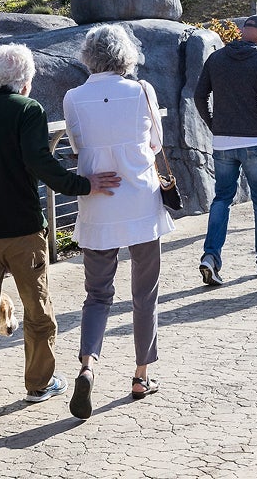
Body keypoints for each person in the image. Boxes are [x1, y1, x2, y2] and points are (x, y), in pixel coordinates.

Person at [0, 43, 122, 431]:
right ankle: (39, 384)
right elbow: (39, 162)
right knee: (37, 308)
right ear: (25, 81)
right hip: (21, 231)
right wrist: (82, 184)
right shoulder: (29, 111)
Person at [62, 25, 175, 419]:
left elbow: (79, 147)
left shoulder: (73, 98)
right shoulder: (143, 90)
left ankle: (88, 365)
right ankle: (141, 375)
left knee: (97, 296)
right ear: (126, 54)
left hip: (97, 204)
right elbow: (157, 144)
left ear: (87, 56)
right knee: (146, 293)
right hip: (141, 202)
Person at [194, 14, 257, 285]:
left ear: (243, 31)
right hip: (254, 140)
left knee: (221, 199)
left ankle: (210, 257)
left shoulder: (217, 58)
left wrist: (213, 124)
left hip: (222, 141)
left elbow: (199, 95)